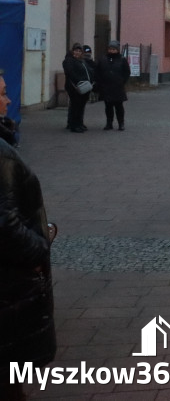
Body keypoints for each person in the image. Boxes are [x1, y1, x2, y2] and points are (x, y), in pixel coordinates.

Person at [0, 69, 57, 401]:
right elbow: (5, 226)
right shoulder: (3, 155)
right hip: (9, 282)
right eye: (3, 93)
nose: (8, 99)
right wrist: (39, 248)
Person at [96, 40, 131, 131]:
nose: (112, 51)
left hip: (118, 87)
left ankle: (121, 123)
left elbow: (127, 72)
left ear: (117, 50)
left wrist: (122, 81)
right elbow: (98, 71)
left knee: (119, 106)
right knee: (108, 107)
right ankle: (109, 123)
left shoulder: (122, 60)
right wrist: (100, 82)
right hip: (106, 87)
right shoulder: (103, 59)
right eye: (110, 49)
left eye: (114, 49)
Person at [62, 43, 92, 133]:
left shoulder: (82, 61)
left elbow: (88, 71)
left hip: (85, 87)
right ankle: (74, 125)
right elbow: (70, 73)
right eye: (76, 51)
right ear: (72, 51)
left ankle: (79, 123)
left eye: (79, 51)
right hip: (75, 87)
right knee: (75, 106)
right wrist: (79, 81)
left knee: (81, 106)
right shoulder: (69, 61)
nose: (77, 53)